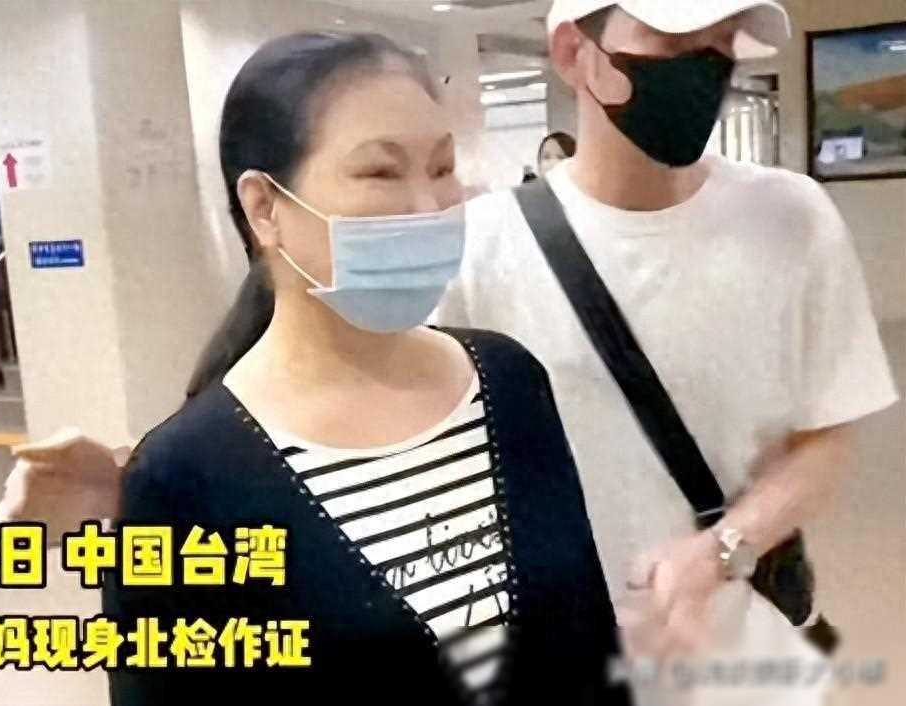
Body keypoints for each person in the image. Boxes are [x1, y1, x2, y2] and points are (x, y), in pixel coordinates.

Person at [0, 2, 900, 704]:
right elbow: (336, 387)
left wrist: (722, 551)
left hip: (725, 655)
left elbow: (828, 434)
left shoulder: (781, 224)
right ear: (575, 53)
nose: (427, 207)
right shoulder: (485, 247)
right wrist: (160, 479)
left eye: (722, 45)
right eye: (674, 45)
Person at [85, 32, 625, 706]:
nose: (428, 208)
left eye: (442, 168)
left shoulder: (509, 382)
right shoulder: (182, 477)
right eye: (380, 173)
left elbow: (590, 642)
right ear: (264, 208)